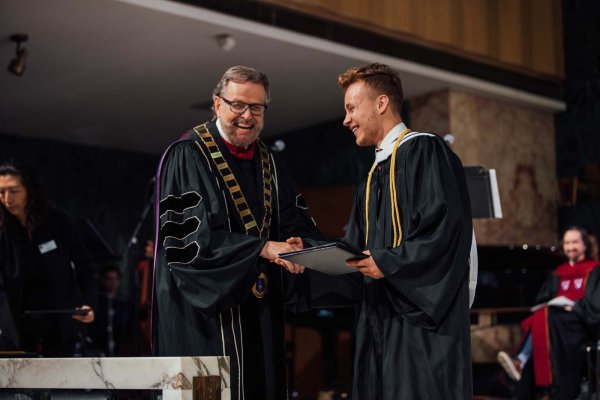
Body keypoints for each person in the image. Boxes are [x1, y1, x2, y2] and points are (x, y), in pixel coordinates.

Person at [284, 63, 474, 399]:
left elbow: (446, 234)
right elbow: (354, 255)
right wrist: (309, 257)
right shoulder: (370, 179)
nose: (346, 120)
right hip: (378, 325)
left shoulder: (426, 152)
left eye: (352, 108)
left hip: (421, 329)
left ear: (381, 103)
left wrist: (387, 261)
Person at [152, 66, 320, 400]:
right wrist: (262, 249)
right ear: (217, 104)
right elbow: (190, 247)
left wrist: (297, 244)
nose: (247, 116)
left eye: (257, 108)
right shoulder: (189, 155)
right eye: (237, 105)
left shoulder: (270, 161)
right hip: (206, 316)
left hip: (261, 310)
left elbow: (294, 221)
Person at [0, 161, 96, 356]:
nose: (7, 199)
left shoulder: (59, 222)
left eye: (14, 191)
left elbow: (86, 268)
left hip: (60, 321)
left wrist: (88, 303)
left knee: (60, 383)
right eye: (1, 192)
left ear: (30, 190)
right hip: (15, 325)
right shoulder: (2, 229)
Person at [497, 226, 600, 400]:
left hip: (581, 323)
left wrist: (574, 307)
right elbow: (543, 299)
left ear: (585, 245)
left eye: (575, 242)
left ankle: (523, 362)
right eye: (567, 243)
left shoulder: (595, 269)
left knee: (547, 319)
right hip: (556, 322)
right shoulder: (558, 273)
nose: (570, 247)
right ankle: (539, 385)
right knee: (542, 317)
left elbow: (595, 302)